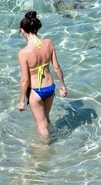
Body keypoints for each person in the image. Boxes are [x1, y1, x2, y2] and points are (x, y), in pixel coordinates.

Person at [16, 10, 67, 141]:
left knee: (41, 125)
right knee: (46, 119)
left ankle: (44, 155)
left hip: (36, 91)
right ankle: (54, 141)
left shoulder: (24, 53)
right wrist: (63, 86)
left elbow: (25, 80)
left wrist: (22, 101)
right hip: (50, 88)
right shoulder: (48, 43)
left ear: (23, 31)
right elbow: (56, 67)